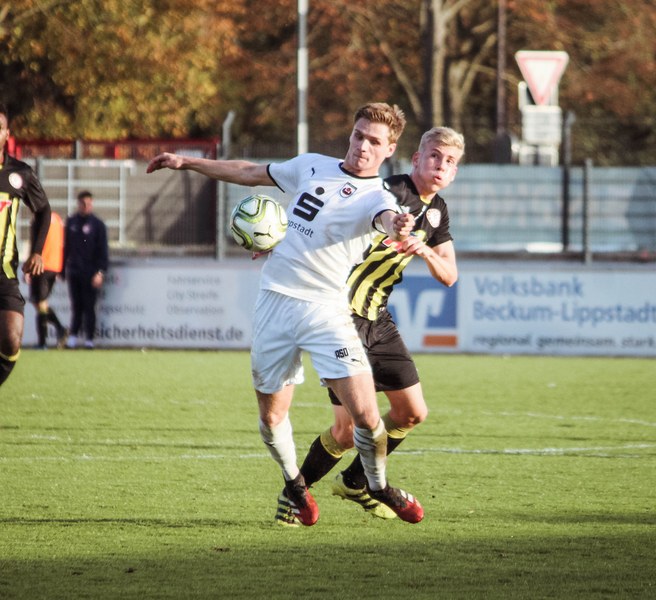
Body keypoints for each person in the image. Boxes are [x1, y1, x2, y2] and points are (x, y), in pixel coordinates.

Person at [147, 102, 424, 525]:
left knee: (367, 418)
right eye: (358, 135)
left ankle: (378, 485)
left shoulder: (378, 197)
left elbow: (387, 220)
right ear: (350, 133)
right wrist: (188, 162)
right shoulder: (311, 165)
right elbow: (248, 171)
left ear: (389, 150)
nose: (362, 146)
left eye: (374, 141)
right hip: (274, 303)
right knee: (271, 416)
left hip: (327, 312)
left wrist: (398, 226)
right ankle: (295, 486)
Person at [276, 126, 465, 525]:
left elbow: (450, 276)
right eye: (434, 156)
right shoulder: (387, 193)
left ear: (454, 172)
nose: (440, 165)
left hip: (377, 318)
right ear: (417, 158)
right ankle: (295, 497)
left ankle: (354, 481)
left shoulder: (437, 211)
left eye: (449, 161)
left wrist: (425, 250)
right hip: (339, 315)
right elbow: (329, 219)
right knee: (345, 432)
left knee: (412, 412)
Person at [0, 103, 52, 387]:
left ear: (7, 133)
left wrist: (37, 252)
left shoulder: (19, 173)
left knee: (11, 338)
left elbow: (43, 210)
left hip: (4, 272)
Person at [63, 190, 109, 349]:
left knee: (89, 306)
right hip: (74, 270)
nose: (86, 206)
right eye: (83, 203)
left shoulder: (98, 224)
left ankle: (89, 339)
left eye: (88, 203)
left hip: (91, 272)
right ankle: (73, 338)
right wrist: (62, 270)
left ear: (92, 204)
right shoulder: (71, 222)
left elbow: (103, 251)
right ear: (78, 204)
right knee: (76, 306)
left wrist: (100, 272)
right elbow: (66, 248)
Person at [26, 210, 67, 349]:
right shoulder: (57, 218)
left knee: (40, 302)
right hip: (55, 265)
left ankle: (43, 342)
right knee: (38, 301)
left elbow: (35, 243)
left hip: (41, 265)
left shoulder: (38, 219)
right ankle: (60, 329)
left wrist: (29, 266)